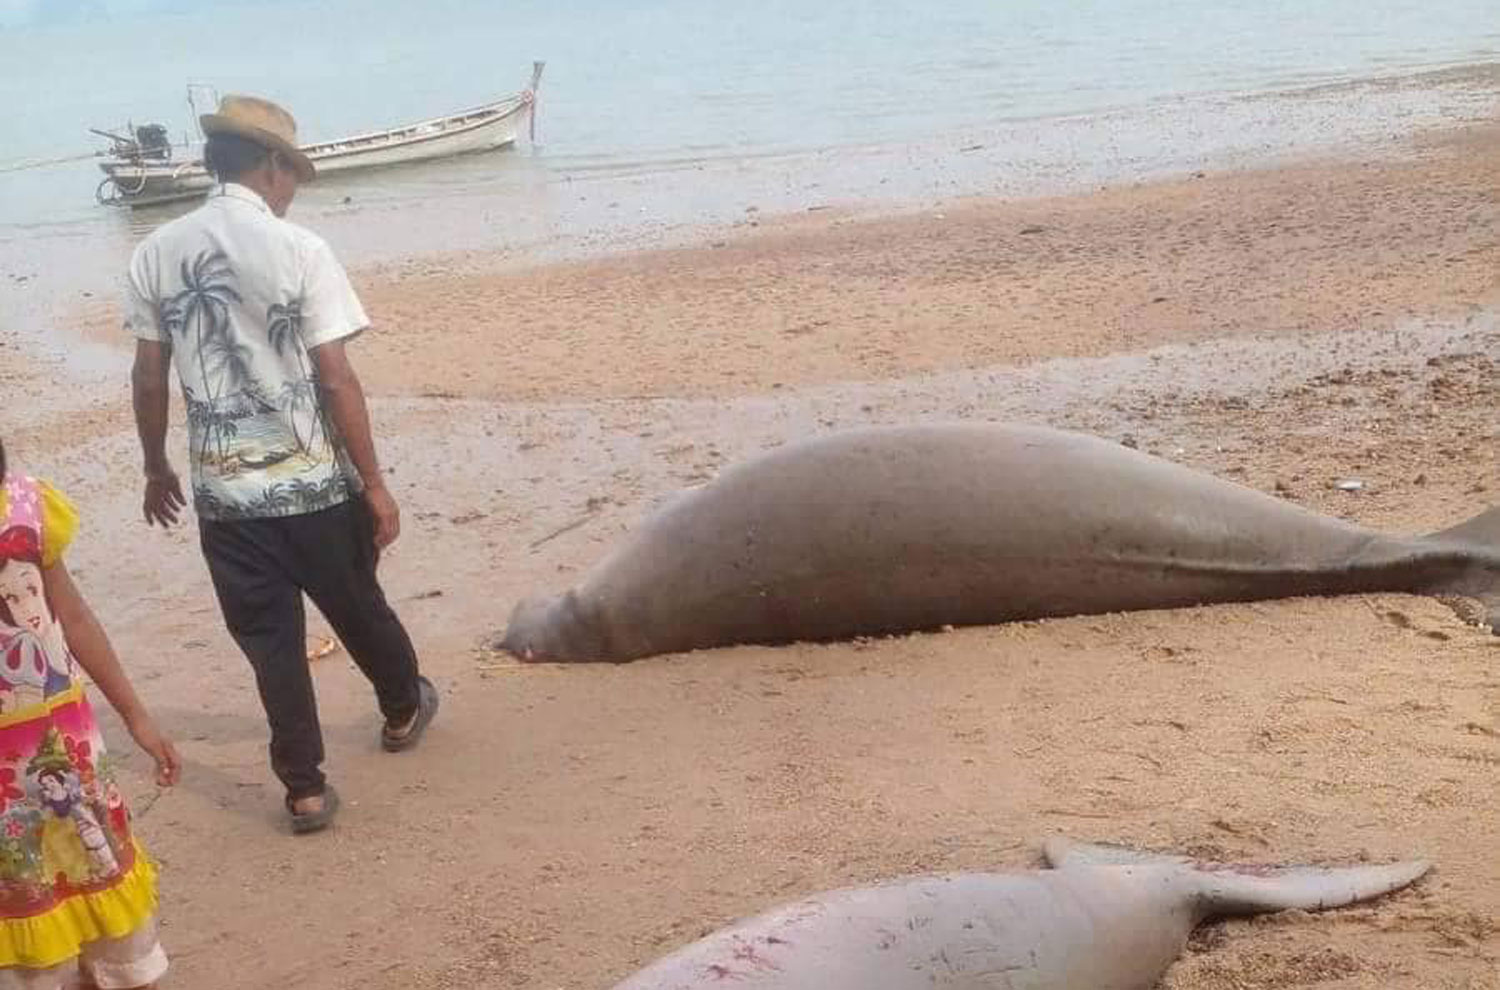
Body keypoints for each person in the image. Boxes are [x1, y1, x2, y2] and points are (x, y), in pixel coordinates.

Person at [125, 94, 438, 835]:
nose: (294, 188)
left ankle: (303, 789)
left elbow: (147, 374)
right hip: (314, 487)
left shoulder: (155, 251)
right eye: (291, 172)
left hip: (226, 497)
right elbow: (335, 377)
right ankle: (401, 708)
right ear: (269, 167)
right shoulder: (300, 250)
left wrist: (155, 466)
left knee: (271, 645)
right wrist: (376, 483)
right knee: (357, 604)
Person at [0, 438, 180, 990]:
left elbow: (73, 617)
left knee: (95, 866)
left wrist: (138, 719)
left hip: (65, 747)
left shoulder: (25, 510)